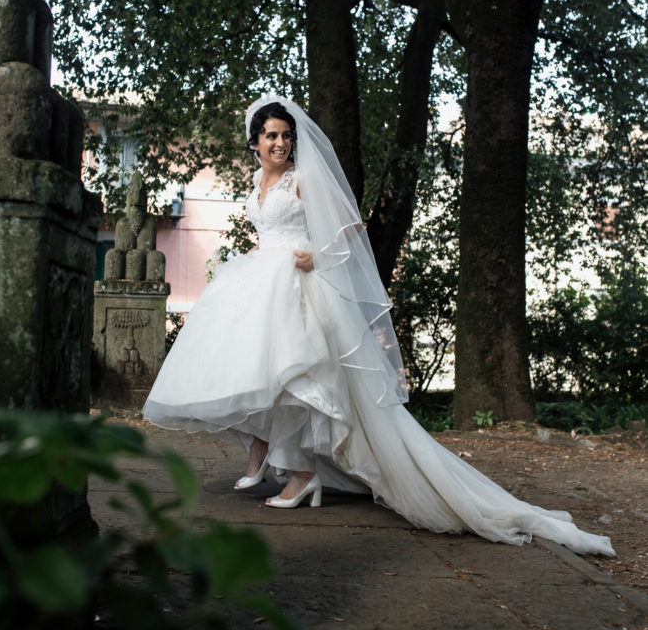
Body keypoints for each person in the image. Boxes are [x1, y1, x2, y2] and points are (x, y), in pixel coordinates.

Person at [143, 96, 614, 556]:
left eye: (286, 136)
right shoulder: (258, 181)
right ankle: (268, 450)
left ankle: (302, 474)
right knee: (262, 372)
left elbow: (347, 225)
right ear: (255, 142)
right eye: (271, 136)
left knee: (300, 379)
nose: (280, 144)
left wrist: (318, 253)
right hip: (263, 282)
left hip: (300, 286)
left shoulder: (301, 180)